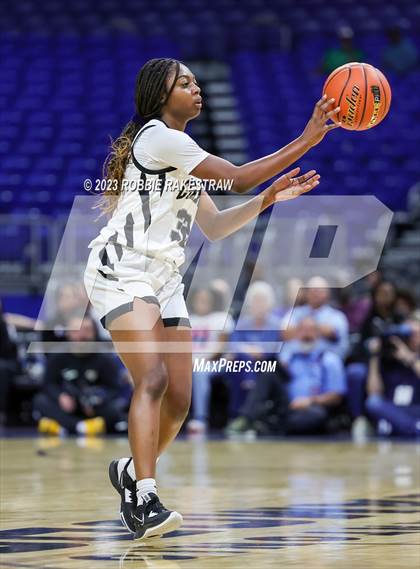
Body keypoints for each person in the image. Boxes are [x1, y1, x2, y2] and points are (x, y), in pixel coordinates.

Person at [83, 57, 340, 540]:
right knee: (153, 378)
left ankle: (129, 471)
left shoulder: (184, 154)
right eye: (185, 82)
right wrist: (308, 138)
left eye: (197, 81)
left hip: (163, 278)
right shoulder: (157, 135)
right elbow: (239, 176)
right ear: (162, 95)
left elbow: (217, 227)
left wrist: (269, 200)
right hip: (121, 269)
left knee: (179, 400)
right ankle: (145, 500)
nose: (196, 88)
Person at [226, 317, 346, 435]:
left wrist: (310, 401)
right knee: (268, 370)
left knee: (317, 416)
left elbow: (336, 397)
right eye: (303, 330)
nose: (306, 335)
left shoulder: (329, 359)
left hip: (311, 407)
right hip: (286, 404)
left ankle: (267, 425)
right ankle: (247, 418)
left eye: (311, 330)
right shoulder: (289, 355)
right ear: (297, 334)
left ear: (318, 334)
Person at [32, 313, 126, 436]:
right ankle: (81, 427)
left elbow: (114, 388)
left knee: (116, 407)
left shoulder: (105, 358)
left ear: (94, 333)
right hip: (67, 407)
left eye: (87, 330)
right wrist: (60, 396)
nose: (81, 335)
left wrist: (97, 399)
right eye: (76, 331)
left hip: (93, 408)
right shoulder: (57, 356)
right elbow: (48, 384)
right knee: (40, 401)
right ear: (68, 333)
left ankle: (62, 427)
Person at [188, 286, 234, 433]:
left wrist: (199, 361)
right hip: (189, 363)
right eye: (199, 299)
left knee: (200, 371)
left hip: (214, 363)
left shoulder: (221, 318)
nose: (202, 302)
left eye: (206, 300)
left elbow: (219, 348)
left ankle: (200, 418)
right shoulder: (187, 319)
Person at [365, 319, 420, 437]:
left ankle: (409, 428)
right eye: (410, 335)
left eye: (416, 334)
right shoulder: (389, 360)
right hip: (393, 410)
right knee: (373, 402)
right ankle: (413, 428)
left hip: (415, 409)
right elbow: (374, 393)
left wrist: (410, 358)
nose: (412, 338)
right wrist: (374, 357)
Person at [281, 276, 349, 360]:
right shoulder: (296, 312)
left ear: (327, 294)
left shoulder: (337, 316)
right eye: (312, 290)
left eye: (319, 291)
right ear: (306, 293)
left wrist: (304, 329)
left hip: (325, 360)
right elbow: (285, 333)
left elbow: (334, 334)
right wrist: (317, 330)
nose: (315, 294)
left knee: (330, 361)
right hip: (298, 358)